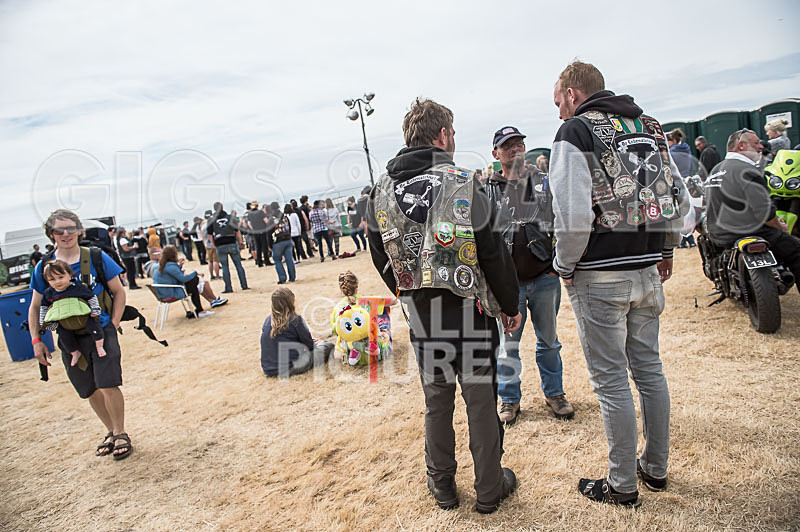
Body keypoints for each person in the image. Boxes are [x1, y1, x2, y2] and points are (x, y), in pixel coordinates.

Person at [367, 98, 521, 514]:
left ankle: (442, 485)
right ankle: (489, 486)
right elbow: (492, 251)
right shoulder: (464, 181)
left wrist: (407, 289)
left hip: (422, 313)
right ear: (442, 135)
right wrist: (509, 303)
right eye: (452, 132)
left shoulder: (380, 191)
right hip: (468, 309)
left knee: (437, 400)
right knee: (480, 400)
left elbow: (379, 253)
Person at [550, 60, 689, 507]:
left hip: (600, 273)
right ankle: (655, 467)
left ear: (573, 94)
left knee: (612, 382)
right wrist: (666, 248)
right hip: (646, 268)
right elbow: (676, 197)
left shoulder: (575, 131)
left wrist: (564, 263)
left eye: (558, 101)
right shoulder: (650, 126)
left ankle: (623, 484)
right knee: (649, 371)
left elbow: (572, 215)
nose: (558, 111)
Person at [484, 126, 574, 425]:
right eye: (507, 145)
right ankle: (509, 399)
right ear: (496, 153)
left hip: (544, 278)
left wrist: (556, 263)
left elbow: (562, 220)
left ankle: (555, 394)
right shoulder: (487, 190)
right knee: (508, 346)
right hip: (508, 286)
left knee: (549, 341)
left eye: (519, 143)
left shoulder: (544, 181)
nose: (515, 148)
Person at [28, 209, 132, 460]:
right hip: (68, 337)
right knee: (89, 388)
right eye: (59, 230)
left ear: (79, 230)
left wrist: (113, 323)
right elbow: (36, 306)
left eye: (70, 228)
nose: (66, 234)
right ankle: (110, 431)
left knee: (107, 383)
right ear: (51, 234)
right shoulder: (44, 267)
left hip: (100, 331)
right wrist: (37, 340)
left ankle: (121, 433)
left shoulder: (96, 257)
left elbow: (119, 291)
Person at [705, 128, 800, 292]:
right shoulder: (747, 170)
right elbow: (764, 212)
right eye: (756, 143)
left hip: (718, 234)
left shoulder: (715, 171)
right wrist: (781, 226)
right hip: (749, 232)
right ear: (741, 146)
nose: (761, 146)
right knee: (796, 249)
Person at [40, 259, 106, 368]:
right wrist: (44, 322)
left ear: (69, 274)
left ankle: (99, 346)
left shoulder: (78, 287)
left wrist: (95, 310)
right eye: (52, 279)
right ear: (47, 281)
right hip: (63, 322)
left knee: (94, 326)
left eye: (61, 277)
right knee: (64, 336)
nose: (57, 282)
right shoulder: (49, 293)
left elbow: (91, 297)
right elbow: (44, 307)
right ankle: (74, 353)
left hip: (83, 316)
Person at [260, 288, 334, 377]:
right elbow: (310, 346)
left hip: (268, 369)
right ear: (290, 302)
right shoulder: (296, 320)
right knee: (328, 346)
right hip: (290, 367)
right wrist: (317, 343)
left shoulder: (268, 320)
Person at [330, 271, 393, 365]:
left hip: (353, 357)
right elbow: (393, 301)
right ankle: (379, 339)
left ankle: (354, 350)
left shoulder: (336, 309)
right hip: (378, 353)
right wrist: (380, 300)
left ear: (341, 289)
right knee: (384, 309)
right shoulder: (368, 300)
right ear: (357, 285)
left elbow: (335, 331)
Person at [153, 245, 227, 318]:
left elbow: (174, 276)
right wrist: (195, 273)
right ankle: (209, 303)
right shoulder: (170, 266)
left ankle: (211, 301)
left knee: (197, 282)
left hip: (164, 292)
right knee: (195, 282)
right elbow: (183, 279)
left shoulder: (161, 265)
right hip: (172, 293)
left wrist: (179, 266)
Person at [207, 202, 249, 294]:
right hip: (231, 242)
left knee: (225, 267)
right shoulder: (230, 217)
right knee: (238, 265)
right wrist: (241, 241)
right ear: (222, 207)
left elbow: (209, 235)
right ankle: (244, 285)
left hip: (220, 244)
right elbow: (237, 231)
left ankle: (228, 288)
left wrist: (214, 244)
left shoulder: (211, 219)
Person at [269, 203, 296, 284]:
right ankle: (292, 277)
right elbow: (289, 227)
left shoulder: (271, 219)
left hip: (277, 241)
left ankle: (282, 277)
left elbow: (268, 233)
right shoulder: (285, 217)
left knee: (277, 260)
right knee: (289, 259)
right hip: (287, 239)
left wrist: (269, 245)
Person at [247, 200, 271, 267]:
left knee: (258, 247)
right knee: (264, 246)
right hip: (262, 230)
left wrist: (253, 229)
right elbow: (266, 221)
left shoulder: (250, 214)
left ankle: (259, 262)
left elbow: (249, 223)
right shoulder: (260, 212)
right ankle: (267, 261)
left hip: (255, 232)